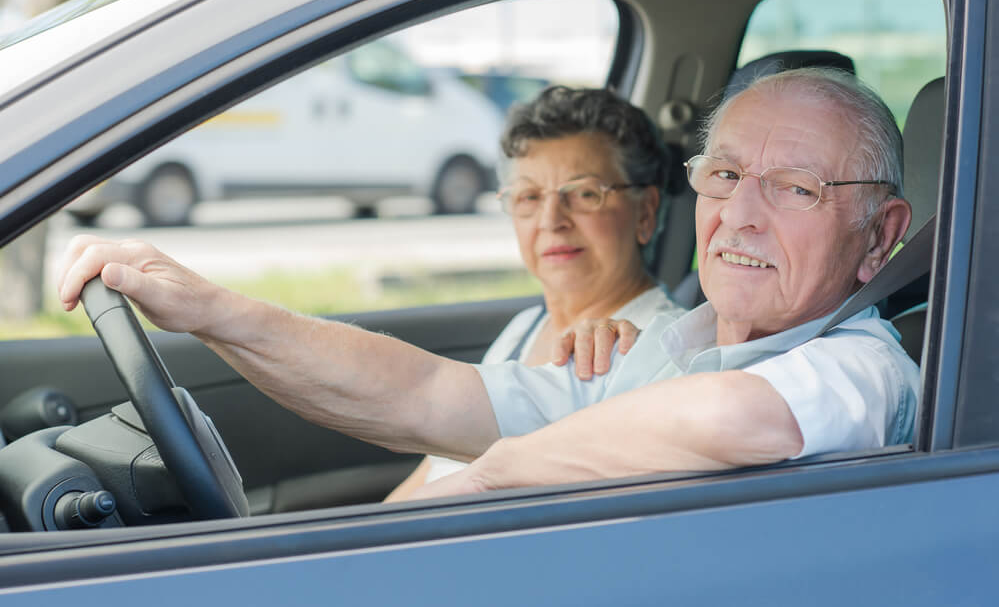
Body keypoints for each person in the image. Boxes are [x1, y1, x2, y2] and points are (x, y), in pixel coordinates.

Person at [58, 67, 918, 501]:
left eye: (798, 188)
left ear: (878, 237)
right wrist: (210, 308)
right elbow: (429, 393)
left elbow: (737, 416)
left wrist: (470, 486)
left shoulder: (864, 366)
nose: (742, 215)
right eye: (724, 174)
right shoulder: (666, 346)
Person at [384, 86, 681, 501]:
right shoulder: (525, 328)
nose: (550, 219)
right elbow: (434, 470)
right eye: (528, 197)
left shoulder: (661, 352)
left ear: (645, 212)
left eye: (584, 194)